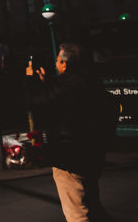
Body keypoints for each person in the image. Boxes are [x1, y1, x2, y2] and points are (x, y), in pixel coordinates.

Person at [25, 43, 114, 221]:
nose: (56, 63)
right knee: (93, 206)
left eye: (58, 60)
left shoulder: (66, 88)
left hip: (69, 160)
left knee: (77, 213)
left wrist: (31, 80)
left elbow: (37, 103)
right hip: (92, 156)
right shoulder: (91, 84)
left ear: (65, 65)